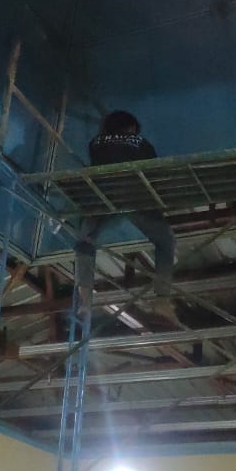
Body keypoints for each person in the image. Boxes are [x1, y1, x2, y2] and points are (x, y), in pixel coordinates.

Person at [74, 111, 178, 323]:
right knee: (165, 240)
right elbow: (152, 171)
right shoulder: (142, 142)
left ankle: (85, 299)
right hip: (135, 197)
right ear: (131, 127)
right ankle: (162, 299)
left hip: (101, 198)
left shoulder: (95, 143)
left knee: (84, 243)